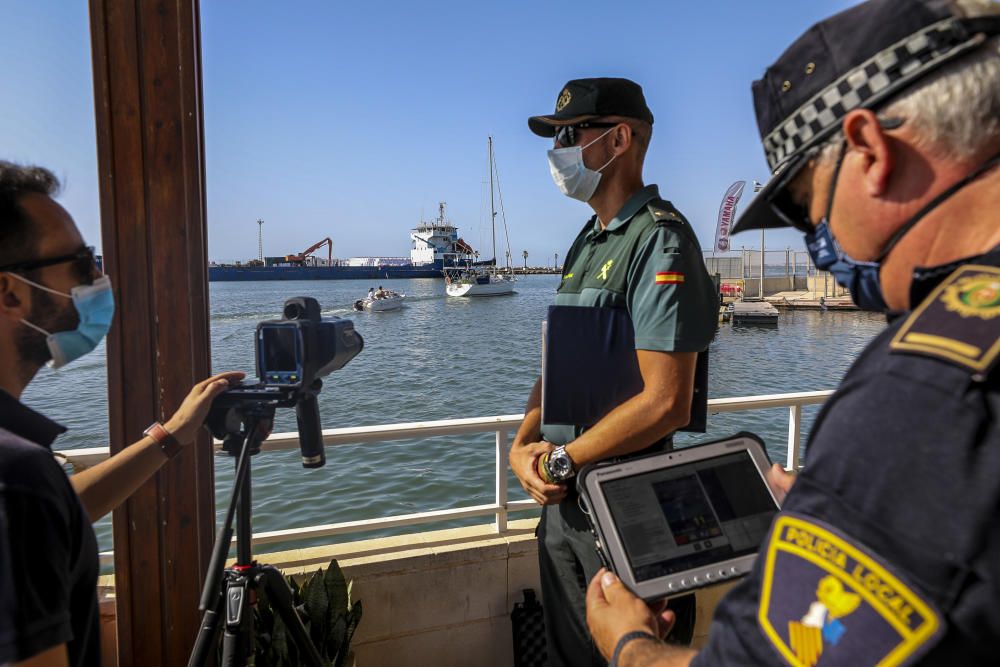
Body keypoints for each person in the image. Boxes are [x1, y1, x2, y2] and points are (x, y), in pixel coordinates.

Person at [585, 1, 1000, 665]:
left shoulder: (925, 391)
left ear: (870, 150)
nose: (819, 247)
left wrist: (631, 644)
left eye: (809, 210)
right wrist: (837, 506)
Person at [0, 162, 244, 667]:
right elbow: (32, 503)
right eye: (82, 260)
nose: (100, 276)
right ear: (10, 292)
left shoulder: (25, 484)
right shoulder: (16, 480)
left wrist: (173, 434)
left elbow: (62, 508)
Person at [510, 78, 718, 666]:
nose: (561, 151)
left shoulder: (660, 241)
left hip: (630, 511)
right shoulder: (588, 241)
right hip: (565, 508)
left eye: (572, 135)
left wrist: (561, 459)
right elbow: (559, 364)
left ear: (620, 138)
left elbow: (665, 402)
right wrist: (521, 445)